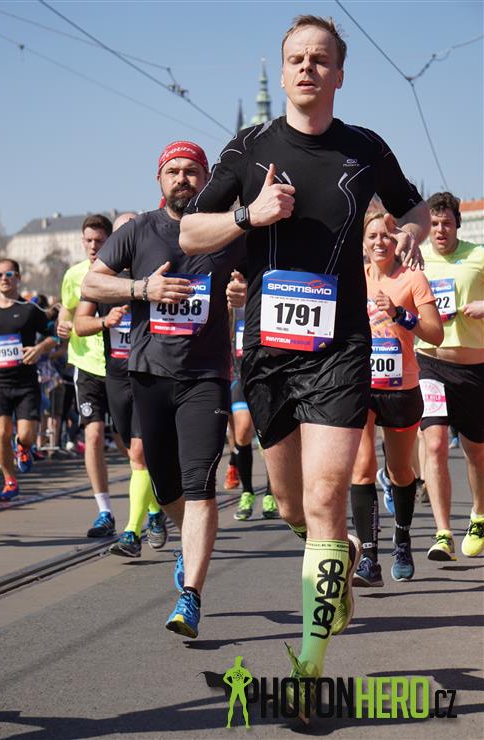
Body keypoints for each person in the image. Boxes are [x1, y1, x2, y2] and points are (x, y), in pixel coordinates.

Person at [179, 14, 428, 715]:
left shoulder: (363, 147)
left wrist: (411, 234)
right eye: (297, 58)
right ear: (284, 70)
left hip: (340, 346)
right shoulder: (249, 146)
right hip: (267, 351)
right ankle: (331, 556)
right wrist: (248, 216)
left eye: (321, 59)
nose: (307, 68)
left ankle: (309, 666)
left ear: (339, 73)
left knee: (324, 499)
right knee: (291, 504)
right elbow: (189, 231)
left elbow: (412, 208)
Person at [82, 140, 247, 639]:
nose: (182, 179)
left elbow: (260, 282)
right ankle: (185, 545)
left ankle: (190, 595)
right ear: (159, 179)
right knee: (165, 485)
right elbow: (92, 285)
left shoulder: (228, 231)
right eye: (173, 171)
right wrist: (142, 289)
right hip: (149, 375)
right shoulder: (138, 231)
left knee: (199, 484)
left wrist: (244, 293)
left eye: (192, 171)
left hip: (205, 377)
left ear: (207, 178)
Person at [350, 211, 442, 586]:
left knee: (400, 471)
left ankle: (402, 539)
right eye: (372, 236)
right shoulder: (353, 278)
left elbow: (434, 333)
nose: (379, 242)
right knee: (361, 468)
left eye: (387, 236)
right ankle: (369, 558)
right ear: (363, 242)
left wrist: (400, 314)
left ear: (398, 241)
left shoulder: (412, 278)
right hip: (360, 384)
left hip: (401, 387)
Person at [74, 212, 167, 557]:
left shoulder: (156, 271)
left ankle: (131, 533)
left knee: (140, 453)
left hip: (147, 373)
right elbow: (80, 324)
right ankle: (154, 511)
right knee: (133, 454)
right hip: (115, 377)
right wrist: (104, 321)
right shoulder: (101, 280)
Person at [416, 192, 484, 561]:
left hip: (474, 368)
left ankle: (479, 516)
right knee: (435, 444)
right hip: (430, 363)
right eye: (434, 224)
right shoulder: (417, 260)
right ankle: (443, 533)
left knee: (476, 451)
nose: (440, 230)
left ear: (457, 223)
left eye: (446, 223)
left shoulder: (478, 255)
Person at [57, 214, 116, 538]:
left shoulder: (121, 272)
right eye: (89, 241)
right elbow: (67, 309)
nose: (93, 246)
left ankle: (153, 503)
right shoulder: (74, 274)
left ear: (110, 241)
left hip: (119, 366)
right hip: (86, 365)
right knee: (92, 435)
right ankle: (104, 511)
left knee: (129, 444)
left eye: (99, 241)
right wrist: (62, 324)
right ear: (82, 241)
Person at [0, 259, 57, 500]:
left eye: (9, 274)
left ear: (18, 278)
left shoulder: (30, 310)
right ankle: (10, 480)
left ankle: (24, 446)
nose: (4, 279)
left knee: (26, 434)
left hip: (26, 382)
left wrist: (40, 348)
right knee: (1, 433)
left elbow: (54, 337)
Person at [230, 307, 279, 520]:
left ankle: (271, 493)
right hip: (240, 376)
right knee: (242, 432)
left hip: (269, 376)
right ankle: (247, 493)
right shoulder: (233, 304)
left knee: (268, 437)